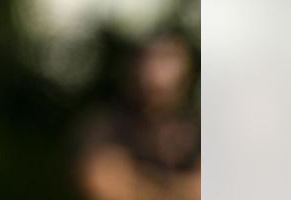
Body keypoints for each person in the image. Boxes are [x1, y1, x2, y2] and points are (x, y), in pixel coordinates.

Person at [75, 33, 201, 200]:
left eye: (166, 59)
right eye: (150, 60)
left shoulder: (197, 132)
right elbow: (104, 185)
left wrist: (138, 182)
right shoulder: (105, 124)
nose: (155, 72)